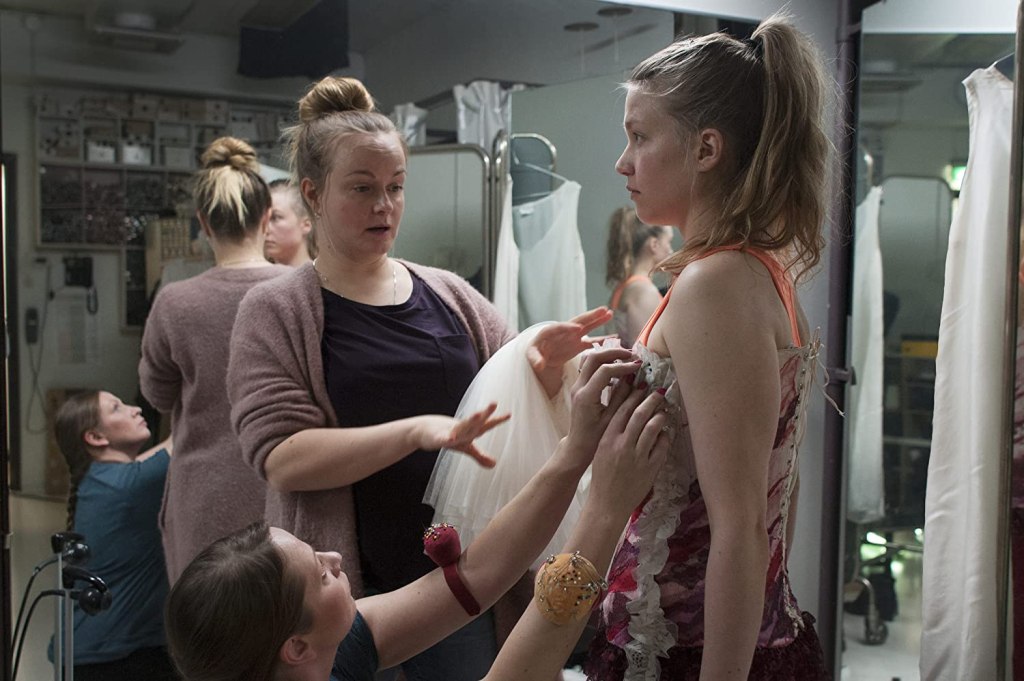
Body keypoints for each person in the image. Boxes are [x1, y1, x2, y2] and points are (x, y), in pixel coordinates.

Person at [227, 76, 610, 681]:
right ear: (313, 194)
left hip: (462, 580)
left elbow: (506, 395)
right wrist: (414, 433)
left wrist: (545, 365)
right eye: (362, 188)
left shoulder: (450, 295)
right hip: (349, 596)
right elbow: (282, 457)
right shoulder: (277, 311)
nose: (385, 205)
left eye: (396, 187)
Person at [168, 348, 671, 681]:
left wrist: (575, 449)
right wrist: (605, 509)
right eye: (320, 574)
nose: (335, 556)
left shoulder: (310, 652)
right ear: (296, 648)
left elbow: (473, 577)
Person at [585, 15, 833, 680]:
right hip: (706, 636)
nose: (623, 162)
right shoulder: (755, 269)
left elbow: (744, 523)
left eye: (640, 137)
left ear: (707, 149)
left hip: (686, 653)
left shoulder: (716, 284)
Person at [139, 137, 290, 582]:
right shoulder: (303, 290)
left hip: (203, 499)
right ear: (266, 219)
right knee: (290, 633)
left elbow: (157, 394)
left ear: (203, 223)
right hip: (285, 497)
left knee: (207, 637)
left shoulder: (175, 303)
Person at [52, 390, 176, 680]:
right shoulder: (130, 487)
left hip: (83, 652)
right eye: (117, 408)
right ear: (96, 437)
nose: (134, 409)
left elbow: (140, 466)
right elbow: (189, 431)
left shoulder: (101, 480)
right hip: (117, 659)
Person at [604, 207, 673, 347]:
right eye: (668, 242)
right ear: (654, 245)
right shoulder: (643, 291)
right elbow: (643, 354)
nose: (671, 250)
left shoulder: (625, 286)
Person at [266, 178, 317, 267]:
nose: (265, 229)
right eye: (262, 219)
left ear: (306, 225)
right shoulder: (257, 277)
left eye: (276, 218)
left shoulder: (324, 278)